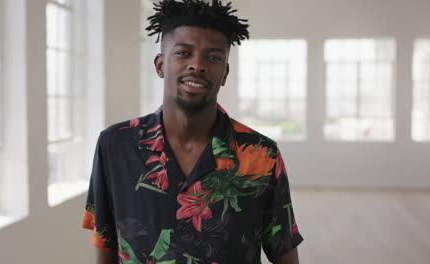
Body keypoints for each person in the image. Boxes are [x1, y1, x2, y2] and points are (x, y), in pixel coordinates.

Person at [81, 0, 304, 263]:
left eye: (213, 57)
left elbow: (284, 251)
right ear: (160, 65)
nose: (197, 65)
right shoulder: (115, 146)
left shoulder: (261, 155)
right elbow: (105, 244)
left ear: (225, 73)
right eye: (184, 53)